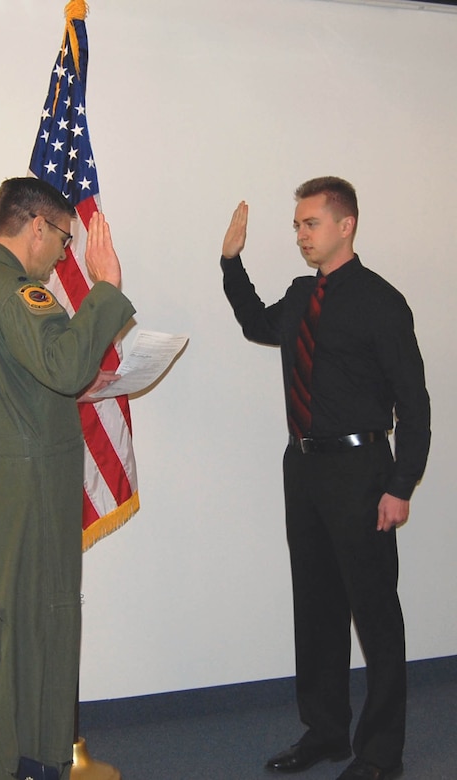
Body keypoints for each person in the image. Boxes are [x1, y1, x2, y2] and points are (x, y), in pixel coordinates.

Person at [220, 177, 430, 780]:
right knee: (315, 607)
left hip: (363, 473)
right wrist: (231, 263)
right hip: (304, 467)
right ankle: (326, 732)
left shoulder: (382, 303)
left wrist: (401, 484)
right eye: (296, 226)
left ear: (346, 225)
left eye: (310, 224)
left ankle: (380, 753)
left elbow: (414, 406)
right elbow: (260, 325)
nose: (300, 236)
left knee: (375, 615)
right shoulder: (299, 295)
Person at [0, 177, 136, 780]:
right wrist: (105, 288)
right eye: (61, 238)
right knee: (41, 637)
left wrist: (81, 384)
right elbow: (63, 359)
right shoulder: (20, 294)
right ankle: (35, 769)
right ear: (34, 226)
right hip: (29, 498)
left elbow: (27, 382)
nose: (63, 254)